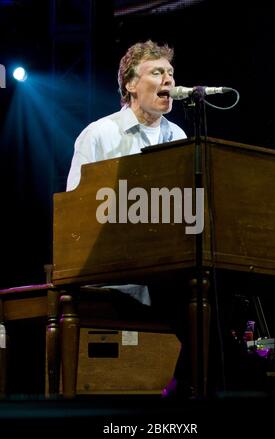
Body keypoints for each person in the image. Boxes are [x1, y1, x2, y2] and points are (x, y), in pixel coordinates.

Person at [66, 40, 190, 397]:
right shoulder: (100, 134)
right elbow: (77, 215)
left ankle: (189, 384)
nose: (168, 79)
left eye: (170, 73)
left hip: (165, 263)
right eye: (157, 72)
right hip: (117, 267)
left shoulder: (178, 136)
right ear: (131, 84)